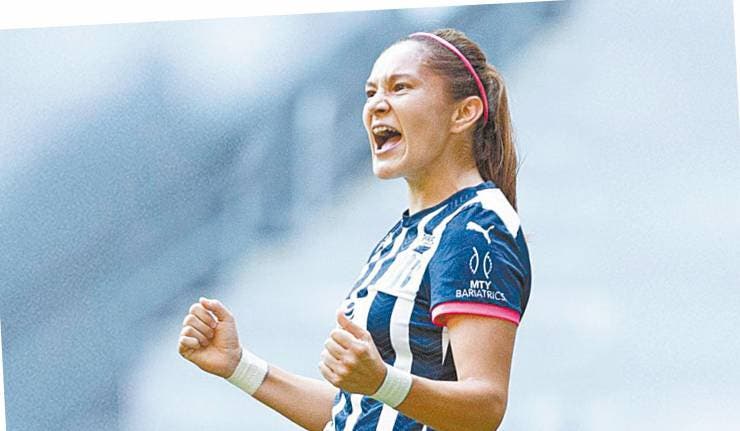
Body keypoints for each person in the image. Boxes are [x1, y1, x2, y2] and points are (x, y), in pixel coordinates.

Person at [178, 28, 531, 431]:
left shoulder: (476, 229)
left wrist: (381, 381)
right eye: (370, 93)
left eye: (400, 87)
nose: (377, 104)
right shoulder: (403, 235)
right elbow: (358, 412)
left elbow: (485, 407)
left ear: (463, 113)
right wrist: (239, 365)